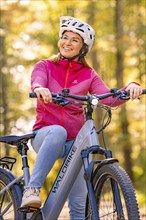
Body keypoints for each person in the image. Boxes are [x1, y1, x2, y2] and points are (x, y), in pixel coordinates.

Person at [21, 16, 142, 219]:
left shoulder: (89, 74)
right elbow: (37, 81)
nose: (67, 43)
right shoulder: (45, 66)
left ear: (83, 47)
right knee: (57, 132)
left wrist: (130, 86)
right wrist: (40, 88)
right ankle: (32, 190)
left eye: (74, 40)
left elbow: (109, 98)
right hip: (45, 135)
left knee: (79, 202)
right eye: (65, 37)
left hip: (74, 143)